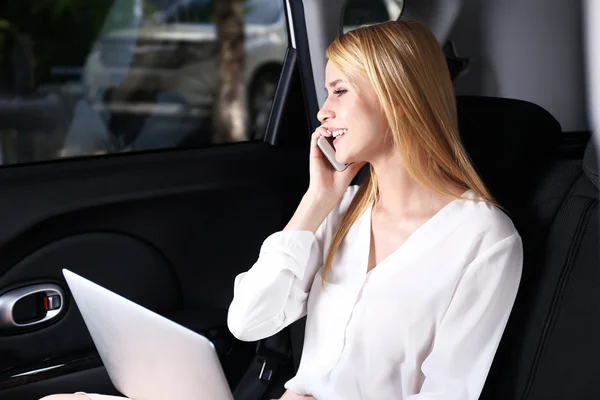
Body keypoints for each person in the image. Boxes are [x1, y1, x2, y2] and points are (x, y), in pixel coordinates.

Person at [40, 19, 523, 400]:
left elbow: (450, 394)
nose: (322, 112)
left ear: (397, 95)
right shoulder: (345, 208)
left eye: (340, 91)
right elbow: (248, 322)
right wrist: (316, 202)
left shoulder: (484, 239)